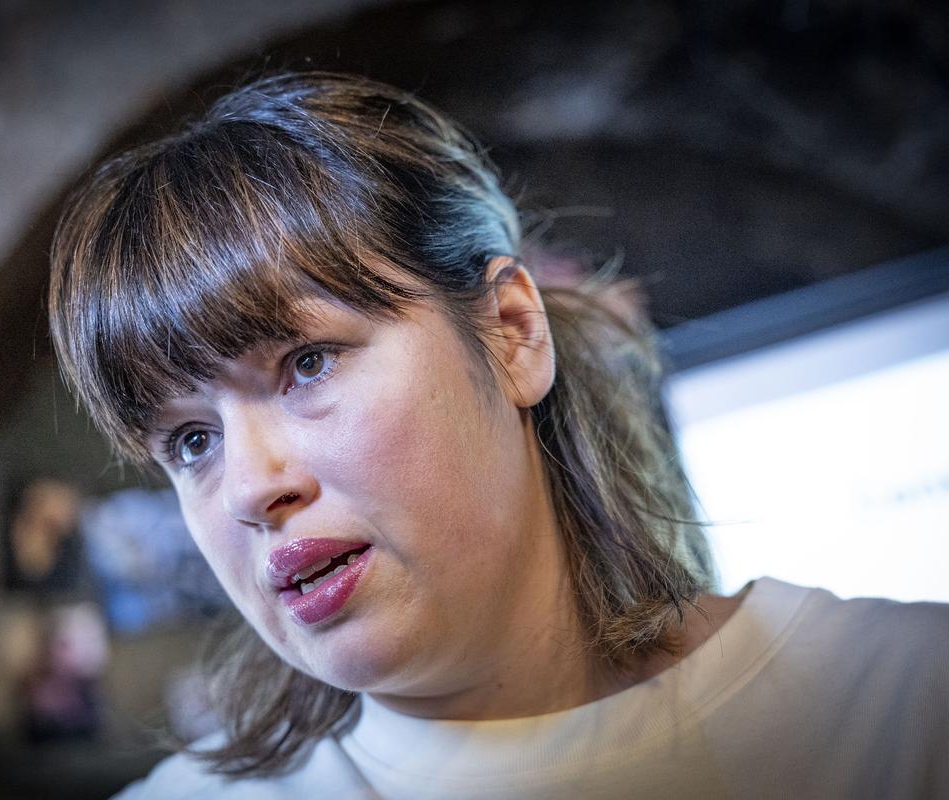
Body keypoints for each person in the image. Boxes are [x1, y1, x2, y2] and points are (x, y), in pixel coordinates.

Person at [47, 72, 949, 799]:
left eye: (308, 364)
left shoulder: (907, 708)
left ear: (513, 333)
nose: (250, 488)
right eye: (191, 442)